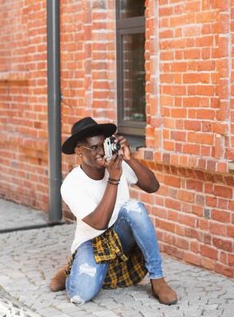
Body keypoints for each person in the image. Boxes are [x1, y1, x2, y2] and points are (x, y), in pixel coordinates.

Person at [49, 117, 178, 305]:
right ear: (78, 151)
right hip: (93, 241)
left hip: (121, 235)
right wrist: (114, 179)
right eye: (94, 148)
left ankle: (158, 279)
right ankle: (72, 267)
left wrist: (129, 159)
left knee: (134, 208)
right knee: (80, 295)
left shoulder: (117, 165)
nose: (101, 152)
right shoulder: (71, 184)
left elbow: (153, 186)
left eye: (104, 145)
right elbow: (99, 223)